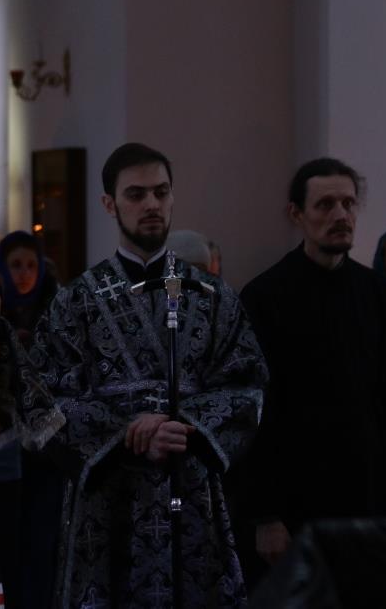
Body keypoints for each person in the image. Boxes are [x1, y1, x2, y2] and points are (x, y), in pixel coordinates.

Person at [28, 142, 267, 607]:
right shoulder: (74, 301)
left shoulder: (213, 296)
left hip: (189, 483)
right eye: (136, 194)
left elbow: (247, 383)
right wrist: (126, 433)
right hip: (106, 497)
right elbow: (43, 396)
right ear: (109, 203)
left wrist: (182, 425)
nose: (152, 204)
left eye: (161, 192)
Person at [239, 157, 386, 577]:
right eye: (325, 205)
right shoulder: (265, 296)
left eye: (348, 204)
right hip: (297, 499)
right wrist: (265, 515)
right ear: (296, 213)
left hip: (369, 495)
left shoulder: (379, 294)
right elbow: (252, 410)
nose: (340, 215)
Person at [0, 230, 58, 347]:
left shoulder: (55, 307)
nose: (25, 274)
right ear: (3, 267)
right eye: (16, 265)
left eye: (31, 265)